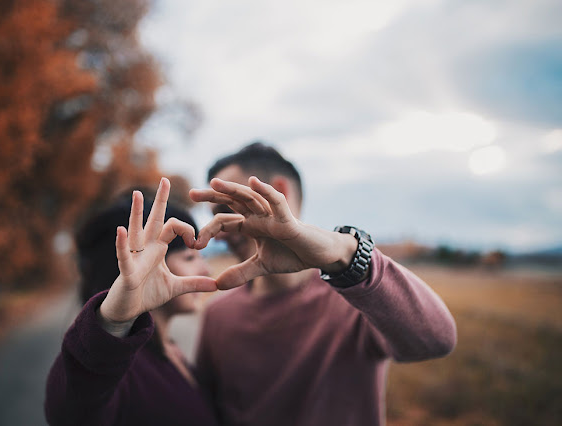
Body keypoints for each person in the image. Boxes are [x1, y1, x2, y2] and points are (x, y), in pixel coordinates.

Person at [189, 142, 458, 426]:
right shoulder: (218, 314)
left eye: (228, 206)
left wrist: (346, 254)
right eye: (214, 214)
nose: (219, 230)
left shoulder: (357, 299)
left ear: (280, 191)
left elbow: (435, 341)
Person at [45, 179, 220, 426]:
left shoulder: (169, 348)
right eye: (190, 257)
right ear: (144, 268)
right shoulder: (113, 370)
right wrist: (113, 323)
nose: (206, 268)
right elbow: (74, 409)